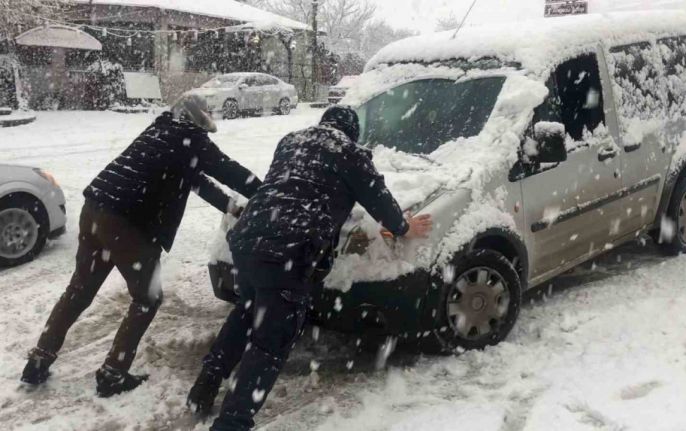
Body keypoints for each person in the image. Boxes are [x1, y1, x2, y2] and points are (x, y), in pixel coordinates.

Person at [187, 105, 433, 430]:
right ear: (352, 132)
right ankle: (232, 423)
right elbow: (377, 197)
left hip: (248, 239)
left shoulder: (291, 141)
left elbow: (293, 186)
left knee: (246, 313)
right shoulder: (349, 151)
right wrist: (403, 227)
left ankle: (203, 389)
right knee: (270, 342)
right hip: (288, 250)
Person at [20, 94, 263, 397]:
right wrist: (267, 191)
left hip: (95, 210)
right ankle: (112, 374)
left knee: (79, 290)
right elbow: (229, 170)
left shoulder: (159, 131)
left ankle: (39, 360)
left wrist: (232, 207)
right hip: (128, 224)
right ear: (197, 122)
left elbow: (195, 180)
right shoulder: (192, 140)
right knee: (148, 298)